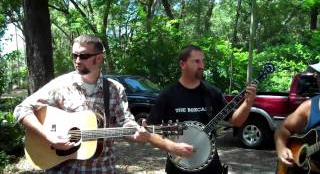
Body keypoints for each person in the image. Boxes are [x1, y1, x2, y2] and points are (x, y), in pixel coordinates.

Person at [14, 34, 193, 173]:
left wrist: (137, 134)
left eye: (83, 56)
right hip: (63, 169)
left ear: (99, 58)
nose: (77, 60)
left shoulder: (114, 89)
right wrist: (48, 135)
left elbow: (125, 122)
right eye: (74, 55)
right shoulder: (60, 85)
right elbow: (21, 109)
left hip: (102, 168)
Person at [146, 44, 257, 174]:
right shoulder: (167, 95)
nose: (202, 65)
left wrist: (248, 103)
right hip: (178, 166)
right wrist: (173, 147)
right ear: (182, 64)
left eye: (203, 61)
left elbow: (236, 121)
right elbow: (150, 131)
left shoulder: (212, 93)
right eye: (196, 61)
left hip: (210, 166)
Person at [275, 62, 320, 173]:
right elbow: (283, 128)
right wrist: (281, 149)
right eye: (318, 75)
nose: (317, 78)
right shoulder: (309, 106)